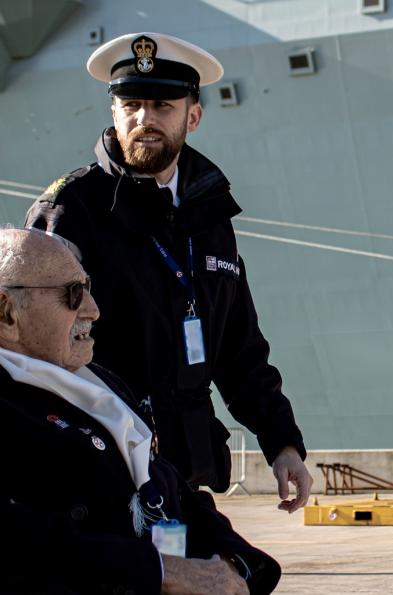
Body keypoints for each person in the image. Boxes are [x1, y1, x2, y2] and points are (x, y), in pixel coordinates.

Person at [0, 228, 280, 594]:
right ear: (4, 312)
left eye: (88, 288)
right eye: (73, 294)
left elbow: (170, 489)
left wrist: (235, 563)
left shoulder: (97, 380)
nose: (94, 310)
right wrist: (157, 572)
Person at [26, 32, 311, 508]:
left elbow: (240, 349)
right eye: (131, 105)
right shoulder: (71, 210)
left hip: (185, 468)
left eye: (162, 105)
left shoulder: (210, 216)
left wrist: (281, 442)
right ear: (114, 113)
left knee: (222, 577)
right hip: (99, 471)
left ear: (192, 116)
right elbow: (30, 346)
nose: (145, 119)